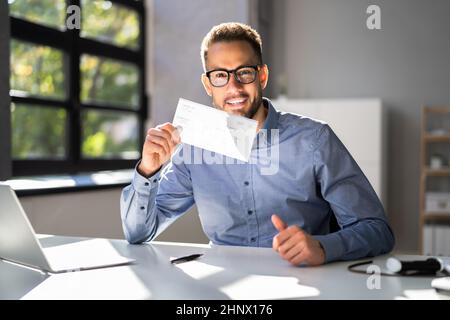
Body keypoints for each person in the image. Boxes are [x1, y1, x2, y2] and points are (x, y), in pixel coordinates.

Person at [120, 22, 395, 266]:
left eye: (244, 73)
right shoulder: (194, 148)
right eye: (220, 75)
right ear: (208, 84)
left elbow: (376, 230)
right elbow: (137, 234)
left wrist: (323, 247)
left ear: (262, 76)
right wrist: (147, 171)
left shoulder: (314, 140)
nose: (234, 88)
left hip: (305, 282)